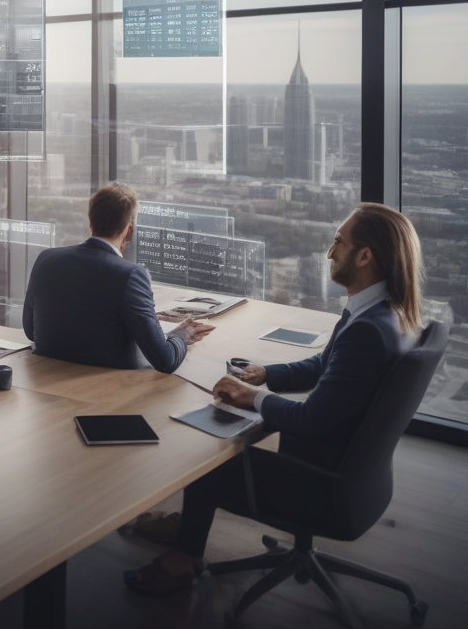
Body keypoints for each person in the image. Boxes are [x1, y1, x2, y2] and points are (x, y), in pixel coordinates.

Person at [126, 202, 422, 596]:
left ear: (365, 255)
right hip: (358, 479)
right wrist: (266, 375)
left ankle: (185, 557)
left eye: (339, 241)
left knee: (206, 458)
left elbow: (310, 420)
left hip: (321, 488)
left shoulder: (367, 330)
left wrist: (254, 397)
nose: (330, 252)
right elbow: (324, 364)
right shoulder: (382, 313)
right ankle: (187, 530)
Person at [22, 183, 214, 373]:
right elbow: (165, 360)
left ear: (91, 221)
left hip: (48, 384)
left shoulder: (46, 259)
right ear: (129, 230)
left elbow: (32, 332)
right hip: (111, 392)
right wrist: (182, 335)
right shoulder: (131, 275)